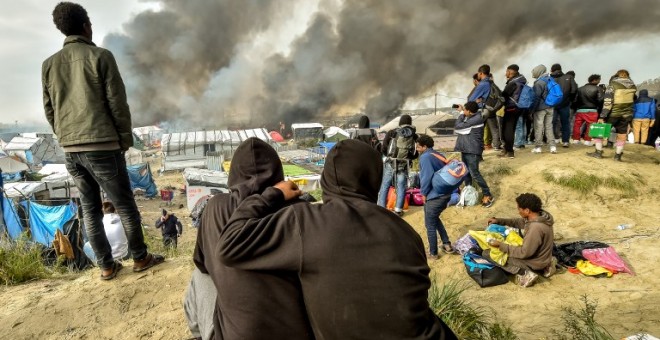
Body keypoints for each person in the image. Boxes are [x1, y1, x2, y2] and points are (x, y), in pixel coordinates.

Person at [219, 139, 457, 339]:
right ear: (373, 179)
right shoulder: (405, 231)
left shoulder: (307, 222)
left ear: (326, 181)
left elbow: (231, 245)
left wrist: (273, 193)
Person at [42, 2, 163, 280]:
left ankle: (107, 266)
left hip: (71, 150)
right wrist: (123, 140)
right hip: (102, 145)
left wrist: (65, 138)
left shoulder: (48, 65)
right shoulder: (101, 56)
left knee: (90, 209)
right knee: (125, 205)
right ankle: (141, 258)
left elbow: (49, 109)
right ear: (87, 25)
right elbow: (117, 103)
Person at [190, 138, 313, 340]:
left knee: (199, 276)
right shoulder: (300, 212)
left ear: (233, 175)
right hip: (299, 332)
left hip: (234, 334)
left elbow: (203, 265)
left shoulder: (214, 208)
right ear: (278, 175)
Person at [486, 193, 555, 288]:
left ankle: (525, 273)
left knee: (488, 254)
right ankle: (547, 264)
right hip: (542, 257)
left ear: (527, 210)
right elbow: (518, 222)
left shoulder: (535, 228)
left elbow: (524, 253)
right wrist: (499, 221)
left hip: (535, 262)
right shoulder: (539, 217)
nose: (518, 211)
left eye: (519, 209)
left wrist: (500, 245)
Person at [417, 134, 456, 258]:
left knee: (430, 225)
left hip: (434, 195)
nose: (417, 148)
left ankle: (433, 253)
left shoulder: (425, 157)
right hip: (445, 194)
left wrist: (423, 193)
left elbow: (426, 177)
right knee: (434, 219)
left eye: (418, 146)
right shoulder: (439, 155)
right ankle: (447, 244)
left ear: (424, 146)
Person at [588, 69, 637, 161]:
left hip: (612, 114)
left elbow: (608, 102)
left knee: (600, 132)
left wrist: (602, 116)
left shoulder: (613, 85)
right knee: (622, 134)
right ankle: (617, 156)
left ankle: (598, 152)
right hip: (626, 115)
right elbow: (633, 100)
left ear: (617, 75)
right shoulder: (633, 86)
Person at [454, 102, 494, 208]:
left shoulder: (475, 119)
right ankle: (469, 192)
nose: (464, 111)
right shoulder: (472, 117)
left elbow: (458, 127)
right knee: (466, 173)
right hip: (466, 149)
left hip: (472, 151)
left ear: (469, 111)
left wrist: (461, 114)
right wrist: (463, 112)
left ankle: (488, 194)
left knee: (475, 174)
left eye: (465, 110)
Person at [377, 115, 418, 216]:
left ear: (400, 122)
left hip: (391, 162)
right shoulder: (414, 135)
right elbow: (415, 153)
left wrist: (389, 156)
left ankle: (382, 208)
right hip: (404, 165)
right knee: (401, 186)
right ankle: (398, 210)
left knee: (385, 184)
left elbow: (384, 148)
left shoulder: (392, 132)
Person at [470, 65, 501, 151]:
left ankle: (477, 149)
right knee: (494, 128)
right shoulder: (491, 82)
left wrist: (477, 101)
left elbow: (471, 99)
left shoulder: (483, 84)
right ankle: (497, 145)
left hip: (483, 109)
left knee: (477, 129)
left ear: (481, 73)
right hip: (491, 108)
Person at [500, 64, 527, 158]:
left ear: (510, 72)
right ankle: (507, 150)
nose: (505, 73)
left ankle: (509, 152)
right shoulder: (521, 80)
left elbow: (503, 96)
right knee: (511, 129)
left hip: (511, 108)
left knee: (507, 130)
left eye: (507, 71)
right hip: (519, 108)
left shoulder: (513, 83)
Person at [530, 64, 557, 154]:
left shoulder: (539, 83)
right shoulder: (550, 79)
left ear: (538, 72)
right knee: (549, 127)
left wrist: (532, 110)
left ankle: (538, 147)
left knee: (538, 128)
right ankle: (552, 147)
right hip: (550, 107)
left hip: (540, 108)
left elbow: (536, 98)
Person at [549, 64, 578, 147]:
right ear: (561, 69)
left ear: (552, 70)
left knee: (552, 123)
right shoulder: (569, 77)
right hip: (565, 104)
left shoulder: (549, 79)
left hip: (552, 105)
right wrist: (570, 100)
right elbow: (574, 90)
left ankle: (553, 140)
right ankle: (565, 141)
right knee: (565, 123)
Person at [573, 74, 604, 146]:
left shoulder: (580, 89)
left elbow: (575, 100)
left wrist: (577, 107)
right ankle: (587, 141)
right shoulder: (598, 88)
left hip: (580, 110)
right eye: (599, 79)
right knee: (590, 126)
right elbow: (601, 100)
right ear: (595, 80)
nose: (599, 81)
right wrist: (600, 109)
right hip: (592, 110)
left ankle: (576, 140)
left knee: (577, 125)